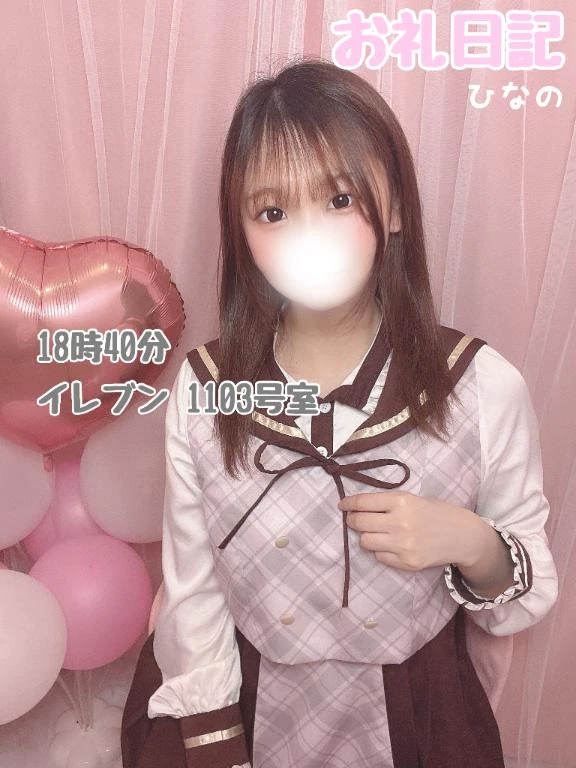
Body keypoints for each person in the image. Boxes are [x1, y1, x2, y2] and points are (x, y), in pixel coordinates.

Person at [120, 58, 558, 768]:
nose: (308, 237)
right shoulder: (207, 388)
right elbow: (192, 588)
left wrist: (470, 541)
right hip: (252, 705)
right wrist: (216, 741)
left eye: (338, 199)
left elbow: (523, 588)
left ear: (394, 208)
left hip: (420, 714)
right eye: (272, 212)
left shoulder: (479, 385)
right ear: (242, 232)